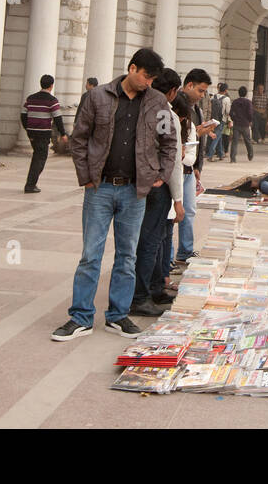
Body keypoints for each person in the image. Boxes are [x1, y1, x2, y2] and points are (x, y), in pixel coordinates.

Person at [53, 48, 178, 341]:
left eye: (153, 78)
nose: (148, 82)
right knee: (90, 255)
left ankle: (118, 315)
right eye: (146, 76)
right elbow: (79, 138)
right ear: (132, 68)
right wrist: (85, 175)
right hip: (100, 188)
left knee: (126, 256)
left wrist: (160, 174)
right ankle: (81, 317)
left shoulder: (157, 103)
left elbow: (169, 141)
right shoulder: (97, 97)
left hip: (136, 191)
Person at [130, 68, 185, 318]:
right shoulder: (167, 114)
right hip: (158, 186)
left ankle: (152, 288)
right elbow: (171, 160)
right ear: (172, 92)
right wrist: (178, 200)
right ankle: (141, 296)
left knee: (149, 240)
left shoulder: (142, 108)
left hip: (141, 182)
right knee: (150, 242)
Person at [176, 68, 213, 265]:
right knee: (172, 214)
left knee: (189, 211)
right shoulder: (178, 105)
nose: (202, 95)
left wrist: (198, 165)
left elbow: (194, 139)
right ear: (189, 85)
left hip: (190, 168)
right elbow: (183, 138)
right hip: (177, 169)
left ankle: (185, 251)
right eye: (200, 90)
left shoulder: (195, 109)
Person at [21, 74, 67, 193]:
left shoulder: (30, 98)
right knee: (40, 158)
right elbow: (58, 118)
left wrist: (28, 128)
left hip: (32, 133)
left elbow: (23, 115)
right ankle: (30, 185)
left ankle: (31, 183)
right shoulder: (52, 100)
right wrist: (63, 134)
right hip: (43, 133)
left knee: (37, 156)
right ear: (51, 86)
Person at [230, 85, 254, 162]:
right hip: (245, 124)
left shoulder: (235, 102)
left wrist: (234, 119)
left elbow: (231, 113)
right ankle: (250, 155)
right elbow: (250, 113)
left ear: (238, 93)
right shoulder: (248, 102)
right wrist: (250, 120)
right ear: (246, 93)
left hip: (237, 124)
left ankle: (233, 158)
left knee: (235, 142)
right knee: (248, 141)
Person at [209, 83, 231, 161]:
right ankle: (210, 155)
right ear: (225, 90)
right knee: (216, 137)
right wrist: (229, 121)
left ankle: (221, 154)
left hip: (213, 119)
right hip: (222, 120)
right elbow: (228, 111)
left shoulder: (213, 97)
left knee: (219, 136)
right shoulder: (226, 99)